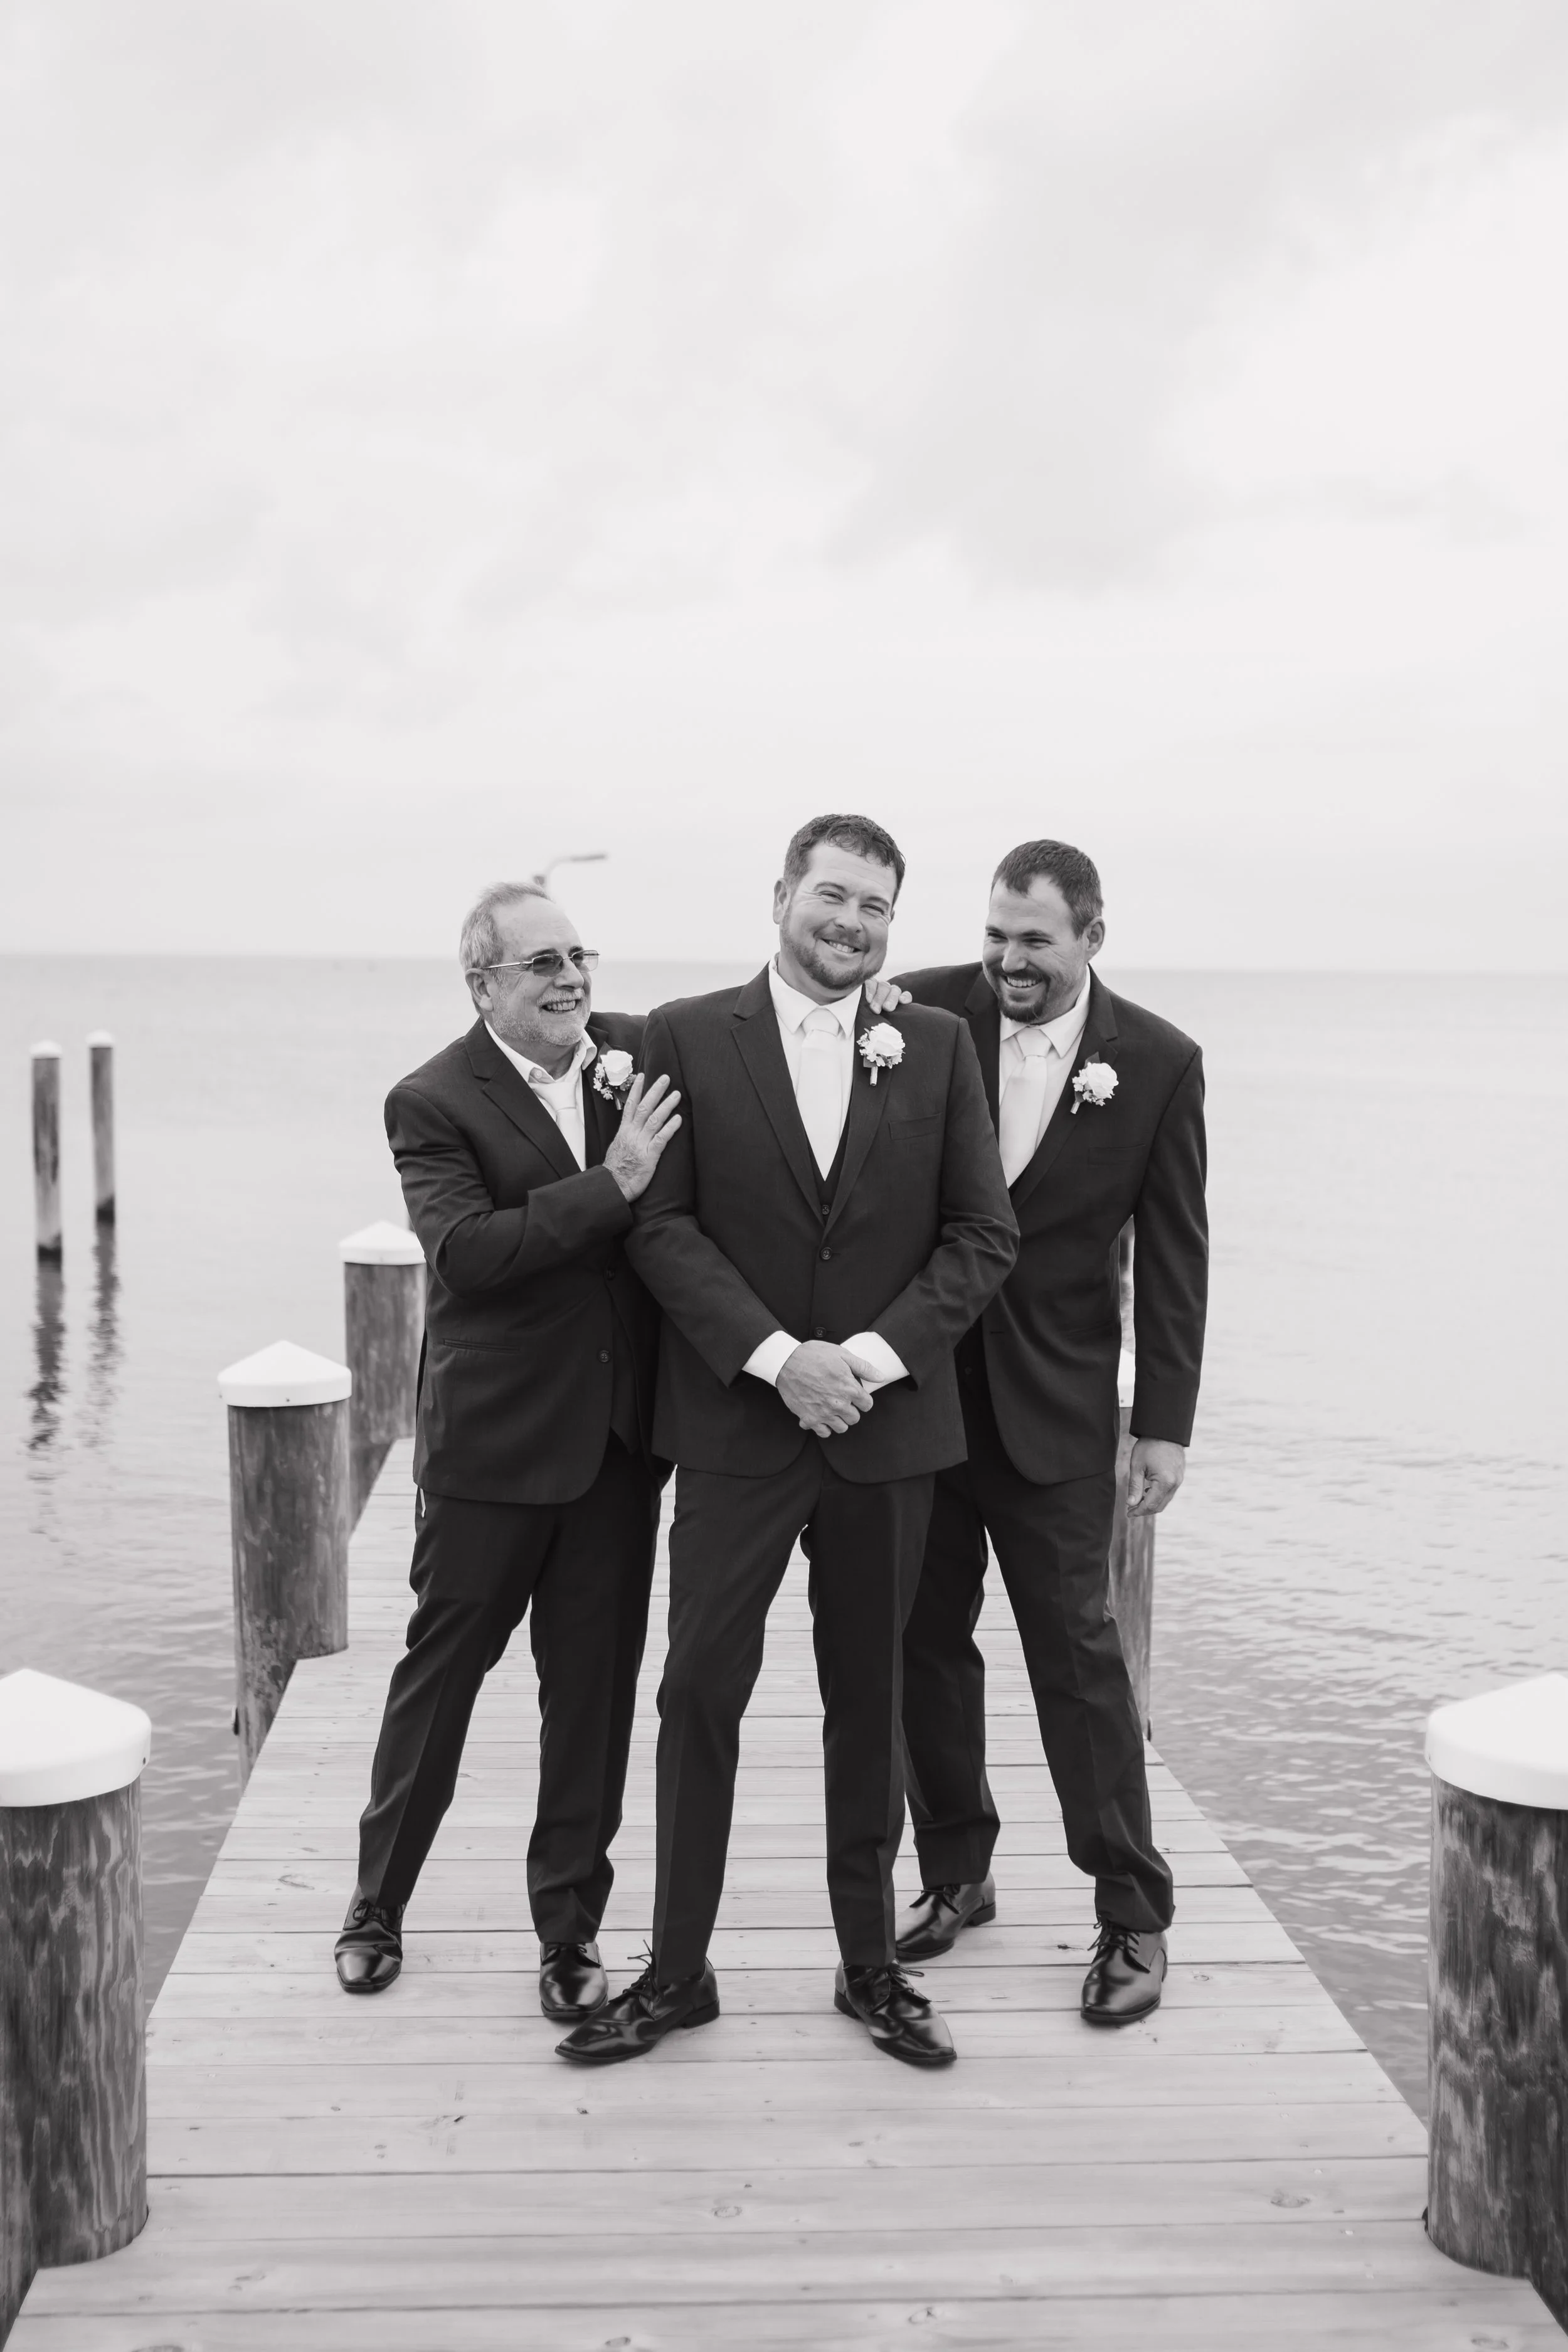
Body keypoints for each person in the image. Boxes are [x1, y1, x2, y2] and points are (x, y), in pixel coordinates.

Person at [556, 814, 1017, 2072]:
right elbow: (661, 1227)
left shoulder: (935, 1046)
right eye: (833, 894)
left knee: (870, 1702)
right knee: (697, 1691)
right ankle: (675, 1971)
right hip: (733, 1429)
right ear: (781, 896)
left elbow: (981, 1235)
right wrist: (777, 1359)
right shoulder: (684, 1036)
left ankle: (870, 1968)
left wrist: (861, 1360)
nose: (852, 923)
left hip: (883, 1431)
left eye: (876, 905)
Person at [333, 881, 681, 2023]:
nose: (571, 978)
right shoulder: (432, 1099)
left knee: (593, 1700)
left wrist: (881, 1001)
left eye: (579, 955)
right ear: (483, 984)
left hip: (617, 1450)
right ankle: (377, 1905)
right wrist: (615, 1183)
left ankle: (569, 1929)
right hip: (491, 1454)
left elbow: (761, 1033)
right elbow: (470, 1254)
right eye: (543, 963)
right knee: (440, 1683)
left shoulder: (637, 1053)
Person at [893, 839, 1207, 2025]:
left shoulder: (1160, 1062)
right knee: (922, 1642)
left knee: (1078, 1657)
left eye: (1035, 939)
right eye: (995, 934)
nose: (1009, 960)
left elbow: (1175, 1256)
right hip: (920, 1400)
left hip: (1059, 1412)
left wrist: (1163, 1425)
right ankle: (956, 1872)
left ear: (1091, 937)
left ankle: (1132, 1909)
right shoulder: (916, 1012)